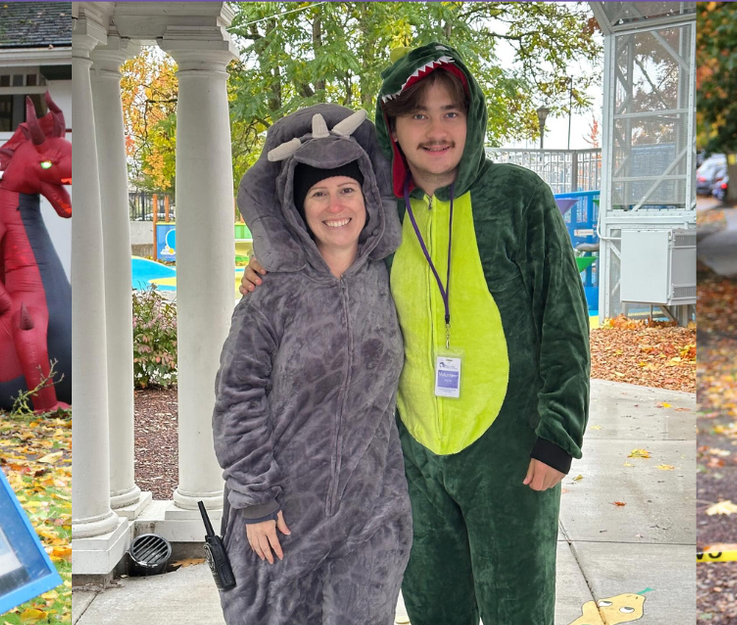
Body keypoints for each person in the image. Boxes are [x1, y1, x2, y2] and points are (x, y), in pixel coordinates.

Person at [250, 42, 590, 623]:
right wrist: (269, 268)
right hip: (409, 458)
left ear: (472, 118)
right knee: (434, 610)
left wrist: (560, 432)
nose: (436, 129)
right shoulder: (379, 212)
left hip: (508, 454)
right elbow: (323, 266)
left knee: (519, 610)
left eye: (450, 112)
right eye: (417, 115)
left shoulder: (517, 197)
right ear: (393, 129)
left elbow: (563, 321)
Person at [212, 103, 410, 623]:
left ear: (367, 196)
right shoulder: (269, 295)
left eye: (346, 189)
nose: (335, 205)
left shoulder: (393, 278)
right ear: (297, 207)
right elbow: (237, 396)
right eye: (318, 193)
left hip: (371, 520)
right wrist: (255, 501)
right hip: (280, 522)